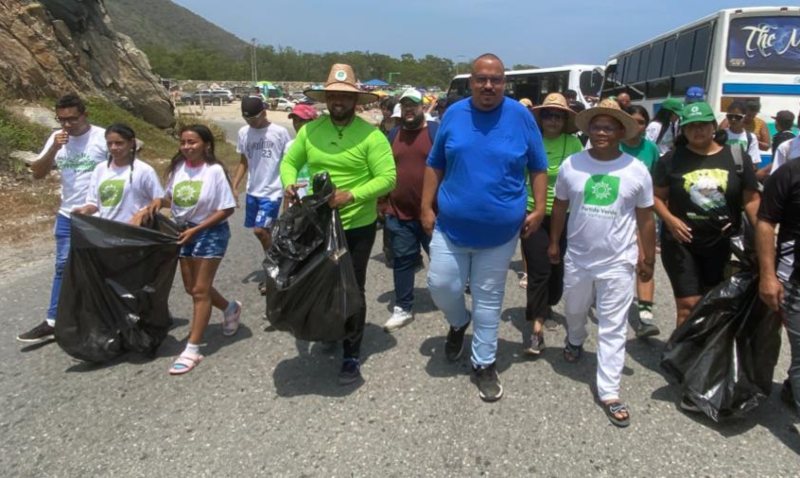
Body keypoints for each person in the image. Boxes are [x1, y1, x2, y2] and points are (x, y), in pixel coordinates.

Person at [422, 53, 548, 402]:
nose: (488, 85)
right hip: (451, 226)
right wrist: (424, 208)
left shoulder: (521, 116)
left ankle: (483, 362)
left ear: (505, 82)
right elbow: (435, 164)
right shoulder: (454, 114)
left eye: (496, 79)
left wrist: (539, 208)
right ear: (471, 82)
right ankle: (459, 321)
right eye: (481, 79)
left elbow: (538, 166)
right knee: (441, 285)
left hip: (500, 232)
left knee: (488, 298)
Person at [281, 63, 396, 385]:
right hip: (317, 223)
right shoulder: (311, 131)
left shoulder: (372, 136)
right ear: (326, 98)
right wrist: (289, 183)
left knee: (351, 286)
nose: (338, 102)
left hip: (356, 226)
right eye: (333, 96)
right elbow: (290, 162)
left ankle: (351, 352)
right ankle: (329, 329)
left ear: (356, 101)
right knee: (321, 281)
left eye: (345, 97)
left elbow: (388, 178)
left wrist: (353, 195)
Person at [547, 99, 656, 427]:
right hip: (579, 258)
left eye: (609, 127)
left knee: (613, 325)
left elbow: (646, 218)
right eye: (596, 126)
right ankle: (575, 338)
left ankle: (609, 390)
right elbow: (560, 206)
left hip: (618, 262)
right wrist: (554, 241)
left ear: (622, 131)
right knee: (575, 310)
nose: (602, 132)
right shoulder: (572, 165)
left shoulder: (636, 170)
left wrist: (647, 257)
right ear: (588, 130)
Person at [652, 102, 760, 336]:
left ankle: (704, 356)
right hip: (681, 243)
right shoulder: (671, 159)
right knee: (688, 304)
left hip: (720, 243)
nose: (697, 131)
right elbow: (655, 197)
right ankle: (682, 361)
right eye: (691, 126)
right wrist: (670, 219)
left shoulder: (735, 157)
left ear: (714, 126)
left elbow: (751, 201)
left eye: (703, 125)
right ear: (683, 130)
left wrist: (762, 234)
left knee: (712, 303)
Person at [145, 125, 241, 375]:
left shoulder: (215, 171)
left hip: (210, 232)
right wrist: (159, 201)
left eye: (192, 142)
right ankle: (230, 308)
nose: (187, 147)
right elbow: (173, 200)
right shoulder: (178, 169)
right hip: (182, 231)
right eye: (183, 142)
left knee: (199, 290)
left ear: (206, 145)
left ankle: (192, 349)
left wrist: (197, 230)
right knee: (193, 288)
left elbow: (227, 208)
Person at [17, 94, 108, 344]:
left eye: (73, 119)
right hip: (68, 214)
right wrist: (54, 148)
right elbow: (37, 173)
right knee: (62, 267)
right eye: (62, 120)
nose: (68, 125)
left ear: (85, 114)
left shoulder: (102, 138)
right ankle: (53, 321)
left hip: (99, 217)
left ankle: (107, 316)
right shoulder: (57, 140)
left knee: (101, 267)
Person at [519, 93, 582, 355]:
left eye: (558, 116)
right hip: (533, 214)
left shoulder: (574, 144)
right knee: (539, 270)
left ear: (565, 119)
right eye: (548, 115)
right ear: (541, 118)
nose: (553, 120)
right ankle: (536, 330)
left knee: (557, 272)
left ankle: (547, 304)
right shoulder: (530, 141)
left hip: (564, 216)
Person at [381, 88, 438, 332]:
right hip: (399, 213)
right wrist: (382, 203)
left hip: (433, 214)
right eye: (405, 105)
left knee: (442, 262)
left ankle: (450, 300)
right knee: (403, 261)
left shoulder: (436, 133)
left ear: (423, 107)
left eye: (413, 105)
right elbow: (383, 170)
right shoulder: (393, 134)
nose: (409, 109)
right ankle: (403, 307)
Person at [756, 156, 800, 424]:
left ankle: (789, 388)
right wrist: (768, 276)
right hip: (794, 279)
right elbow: (765, 223)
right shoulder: (789, 173)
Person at [232, 97, 291, 263]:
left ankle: (274, 264)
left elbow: (289, 161)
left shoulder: (279, 132)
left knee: (260, 230)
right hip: (253, 191)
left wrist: (288, 187)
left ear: (264, 113)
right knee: (267, 232)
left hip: (272, 191)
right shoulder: (243, 133)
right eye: (246, 119)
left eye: (253, 118)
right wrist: (234, 186)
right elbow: (244, 161)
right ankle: (279, 258)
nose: (250, 122)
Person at [620, 105, 662, 338]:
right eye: (632, 120)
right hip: (617, 215)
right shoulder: (615, 146)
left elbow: (655, 183)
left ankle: (645, 316)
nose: (637, 125)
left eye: (642, 121)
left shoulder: (651, 149)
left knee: (645, 260)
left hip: (644, 214)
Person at [73, 123, 164, 224]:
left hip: (135, 231)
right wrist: (86, 210)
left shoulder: (144, 170)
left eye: (119, 143)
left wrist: (143, 213)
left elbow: (159, 200)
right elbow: (94, 203)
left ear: (131, 143)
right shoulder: (100, 169)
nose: (114, 148)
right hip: (106, 230)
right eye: (109, 143)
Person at [285, 103, 320, 197]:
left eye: (301, 120)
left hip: (315, 198)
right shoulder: (290, 146)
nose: (296, 124)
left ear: (313, 121)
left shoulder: (321, 146)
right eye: (295, 120)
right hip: (297, 199)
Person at [722, 101, 761, 168]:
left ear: (745, 117)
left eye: (737, 117)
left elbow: (754, 163)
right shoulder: (721, 135)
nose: (733, 119)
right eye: (730, 116)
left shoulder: (751, 137)